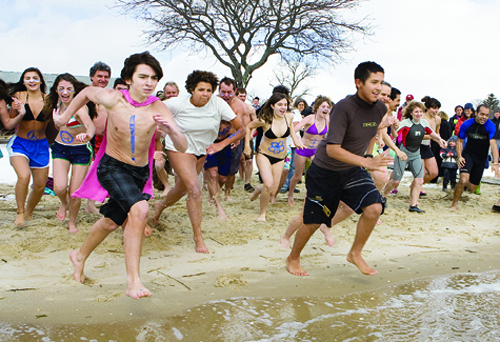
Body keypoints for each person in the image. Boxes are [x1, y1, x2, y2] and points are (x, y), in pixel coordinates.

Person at [54, 51, 187, 299]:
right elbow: (84, 93)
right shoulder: (112, 98)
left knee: (111, 221)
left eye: (154, 78)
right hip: (112, 167)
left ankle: (79, 255)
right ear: (129, 78)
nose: (149, 83)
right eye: (143, 77)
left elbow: (181, 145)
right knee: (140, 210)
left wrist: (171, 130)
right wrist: (63, 117)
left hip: (138, 174)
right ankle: (133, 281)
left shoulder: (158, 107)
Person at [286, 61, 395, 277]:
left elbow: (370, 132)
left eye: (381, 83)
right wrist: (367, 162)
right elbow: (333, 149)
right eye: (374, 82)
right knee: (314, 220)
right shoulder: (344, 107)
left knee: (374, 208)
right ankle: (293, 257)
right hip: (324, 170)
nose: (379, 88)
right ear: (358, 83)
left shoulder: (381, 108)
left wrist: (370, 153)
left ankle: (355, 253)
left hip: (352, 169)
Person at [152, 70, 244, 254]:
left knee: (182, 188)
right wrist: (157, 147)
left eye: (209, 90)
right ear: (191, 90)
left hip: (202, 151)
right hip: (180, 149)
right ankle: (198, 237)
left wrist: (222, 144)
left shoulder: (218, 104)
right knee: (195, 189)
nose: (206, 94)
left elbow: (241, 129)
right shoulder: (176, 103)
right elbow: (153, 115)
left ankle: (158, 208)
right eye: (201, 89)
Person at [45, 73, 97, 233]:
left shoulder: (79, 107)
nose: (65, 92)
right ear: (57, 90)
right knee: (59, 187)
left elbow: (91, 126)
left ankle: (72, 222)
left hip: (80, 150)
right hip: (60, 148)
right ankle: (63, 202)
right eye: (61, 88)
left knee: (75, 191)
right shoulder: (56, 105)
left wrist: (87, 135)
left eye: (69, 89)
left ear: (75, 91)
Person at [244, 93, 304, 221]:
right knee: (269, 183)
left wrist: (295, 138)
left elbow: (291, 127)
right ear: (272, 106)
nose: (283, 107)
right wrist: (247, 146)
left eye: (285, 104)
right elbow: (249, 127)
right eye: (280, 104)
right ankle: (262, 214)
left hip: (280, 157)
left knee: (272, 190)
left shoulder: (289, 117)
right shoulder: (265, 120)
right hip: (264, 155)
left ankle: (259, 189)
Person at [383, 101, 446, 213]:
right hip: (403, 153)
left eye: (421, 111)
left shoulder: (424, 123)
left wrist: (439, 140)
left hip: (416, 154)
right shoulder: (405, 123)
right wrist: (393, 128)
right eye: (416, 111)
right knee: (396, 181)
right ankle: (383, 197)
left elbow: (431, 133)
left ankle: (413, 205)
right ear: (411, 113)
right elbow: (395, 135)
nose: (419, 113)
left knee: (419, 179)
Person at [5, 67, 50, 226]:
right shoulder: (18, 97)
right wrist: (16, 111)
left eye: (34, 77)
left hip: (41, 146)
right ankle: (20, 213)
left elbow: (57, 122)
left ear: (40, 81)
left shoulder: (48, 99)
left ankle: (29, 211)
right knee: (24, 176)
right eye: (28, 78)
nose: (31, 80)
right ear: (23, 82)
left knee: (39, 186)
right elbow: (9, 121)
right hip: (20, 144)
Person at [451, 104, 499, 210]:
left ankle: (459, 186)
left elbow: (493, 145)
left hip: (481, 158)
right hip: (468, 155)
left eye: (486, 115)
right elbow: (459, 141)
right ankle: (454, 203)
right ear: (476, 113)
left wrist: (495, 163)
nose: (484, 117)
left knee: (472, 188)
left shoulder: (490, 126)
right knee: (463, 179)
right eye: (482, 114)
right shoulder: (467, 124)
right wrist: (459, 156)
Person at [287, 96, 332, 205]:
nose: (325, 109)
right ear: (317, 107)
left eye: (328, 107)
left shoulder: (328, 120)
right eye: (323, 106)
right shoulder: (310, 118)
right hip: (303, 149)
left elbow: (328, 135)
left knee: (315, 174)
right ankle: (290, 195)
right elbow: (293, 129)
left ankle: (308, 196)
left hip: (315, 150)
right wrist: (296, 139)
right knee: (297, 176)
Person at [84, 61, 112, 215]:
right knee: (90, 170)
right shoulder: (86, 95)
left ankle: (92, 203)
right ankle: (88, 203)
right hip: (90, 138)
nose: (103, 79)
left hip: (107, 139)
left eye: (106, 76)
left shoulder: (110, 94)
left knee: (104, 171)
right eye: (99, 76)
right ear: (91, 77)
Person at [218, 77, 250, 202]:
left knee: (231, 171)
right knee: (216, 171)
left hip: (234, 140)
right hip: (216, 140)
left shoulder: (240, 106)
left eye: (229, 92)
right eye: (223, 92)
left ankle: (227, 193)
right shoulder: (213, 102)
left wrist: (239, 140)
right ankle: (215, 194)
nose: (226, 95)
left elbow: (244, 126)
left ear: (235, 90)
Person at [419, 96, 442, 194]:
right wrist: (433, 137)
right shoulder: (421, 117)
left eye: (437, 108)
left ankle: (416, 185)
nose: (436, 110)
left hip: (427, 147)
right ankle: (417, 188)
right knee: (421, 173)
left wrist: (440, 141)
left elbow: (437, 133)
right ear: (427, 108)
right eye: (434, 108)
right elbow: (418, 136)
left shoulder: (438, 119)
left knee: (434, 173)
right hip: (417, 146)